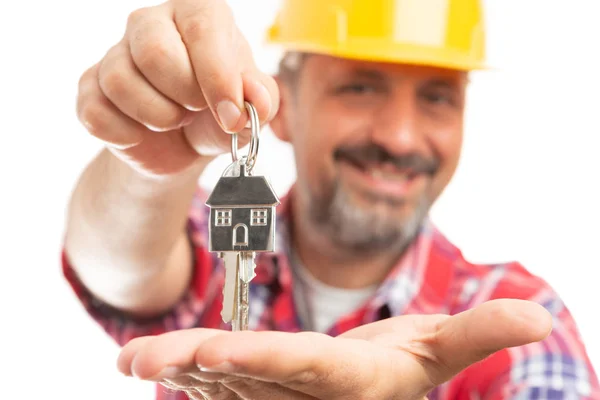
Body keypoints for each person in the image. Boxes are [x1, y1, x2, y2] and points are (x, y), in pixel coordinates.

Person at [61, 0, 599, 399]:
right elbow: (116, 262)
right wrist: (150, 166)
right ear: (283, 108)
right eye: (359, 87)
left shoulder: (511, 320)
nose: (401, 137)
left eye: (437, 97)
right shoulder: (214, 258)